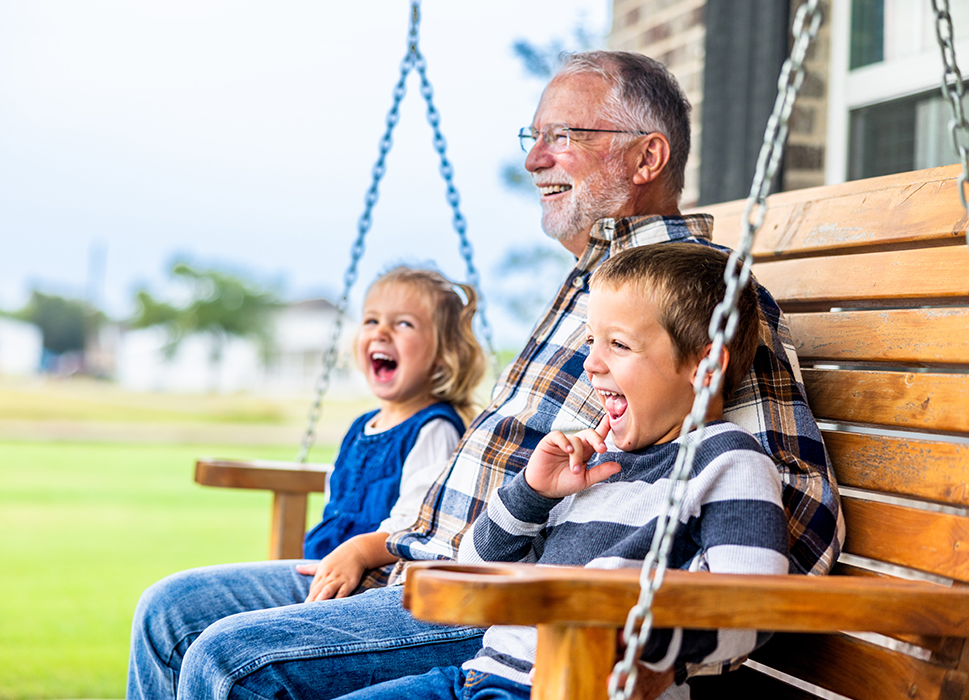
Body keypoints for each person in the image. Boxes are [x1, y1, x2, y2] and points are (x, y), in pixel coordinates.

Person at [127, 51, 843, 700]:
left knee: (230, 660)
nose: (535, 160)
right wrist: (387, 540)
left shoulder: (694, 302)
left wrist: (634, 620)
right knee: (168, 613)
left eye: (564, 137)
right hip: (418, 560)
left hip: (504, 603)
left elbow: (793, 515)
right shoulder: (596, 288)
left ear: (647, 156)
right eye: (532, 137)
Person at [327, 242, 789, 700]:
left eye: (619, 344)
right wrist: (532, 492)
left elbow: (752, 606)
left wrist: (647, 650)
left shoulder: (729, 461)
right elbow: (472, 572)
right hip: (477, 676)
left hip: (571, 685)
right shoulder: (594, 460)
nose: (591, 363)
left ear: (706, 367)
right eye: (591, 341)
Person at [298, 266, 486, 598]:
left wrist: (357, 552)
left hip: (377, 581)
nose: (381, 331)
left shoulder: (435, 429)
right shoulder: (361, 426)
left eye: (403, 324)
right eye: (371, 320)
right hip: (327, 568)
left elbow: (419, 524)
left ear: (444, 356)